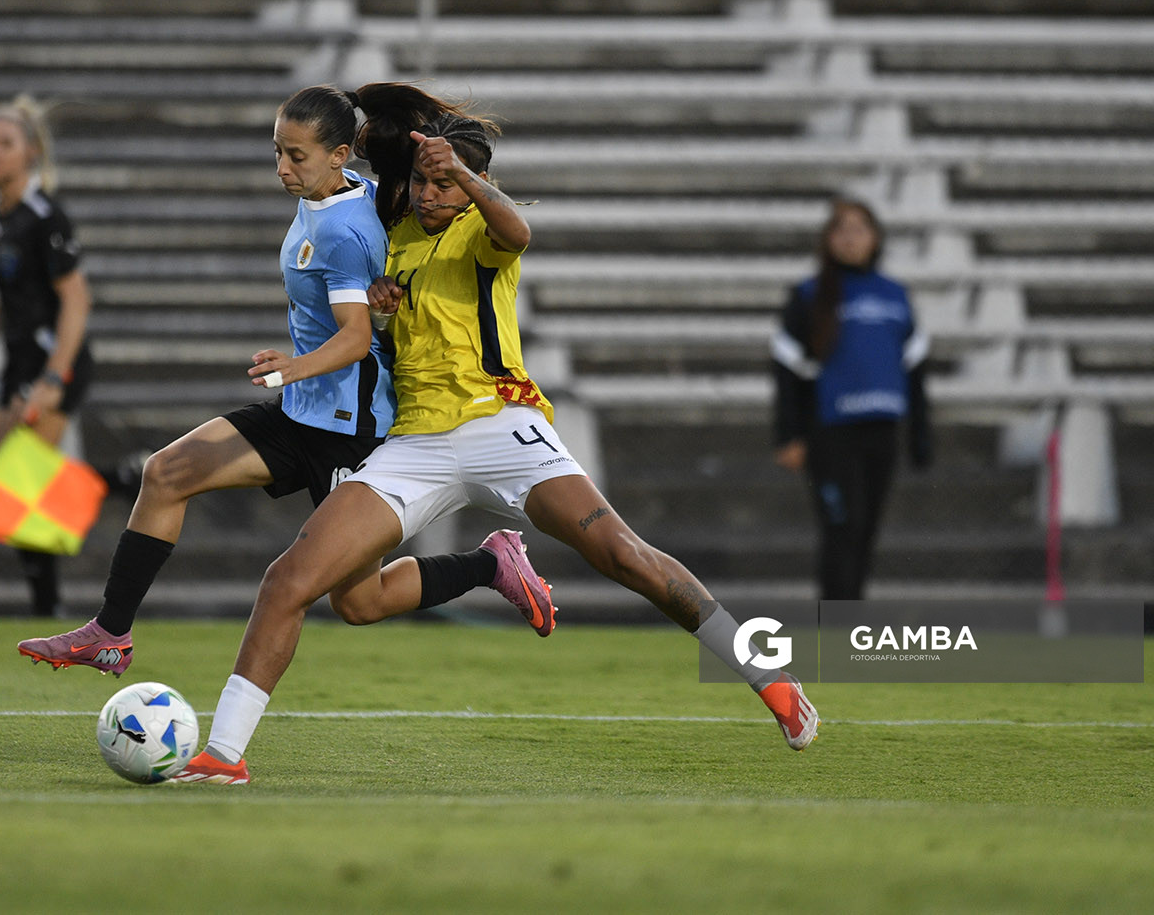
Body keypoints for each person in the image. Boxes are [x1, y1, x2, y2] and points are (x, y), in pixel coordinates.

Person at [170, 91, 820, 785]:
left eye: (442, 181)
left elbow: (520, 234)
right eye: (421, 179)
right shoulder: (394, 238)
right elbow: (382, 331)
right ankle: (224, 756)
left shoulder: (483, 229)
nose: (427, 193)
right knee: (292, 581)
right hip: (416, 442)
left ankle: (769, 678)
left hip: (503, 426)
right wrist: (384, 314)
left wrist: (471, 182)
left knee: (623, 555)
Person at [17, 84, 555, 674]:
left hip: (351, 429)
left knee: (359, 603)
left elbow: (354, 339)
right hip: (303, 412)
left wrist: (293, 366)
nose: (282, 167)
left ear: (339, 155)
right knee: (166, 472)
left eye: (296, 155)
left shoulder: (344, 231)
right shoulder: (347, 197)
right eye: (278, 151)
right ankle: (109, 634)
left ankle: (490, 562)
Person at [0, 95, 94, 616]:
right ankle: (121, 479)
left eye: (4, 143)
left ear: (30, 152)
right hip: (17, 361)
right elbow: (5, 299)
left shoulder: (44, 216)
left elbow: (76, 299)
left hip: (55, 361)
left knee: (19, 482)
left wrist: (56, 376)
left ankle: (45, 607)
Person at [770, 197, 932, 601]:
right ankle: (837, 624)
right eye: (841, 229)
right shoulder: (809, 295)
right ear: (827, 239)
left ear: (875, 238)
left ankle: (852, 620)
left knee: (866, 532)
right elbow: (786, 372)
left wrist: (921, 437)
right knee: (842, 528)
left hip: (882, 431)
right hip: (831, 433)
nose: (850, 238)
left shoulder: (896, 296)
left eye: (859, 229)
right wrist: (787, 435)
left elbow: (914, 371)